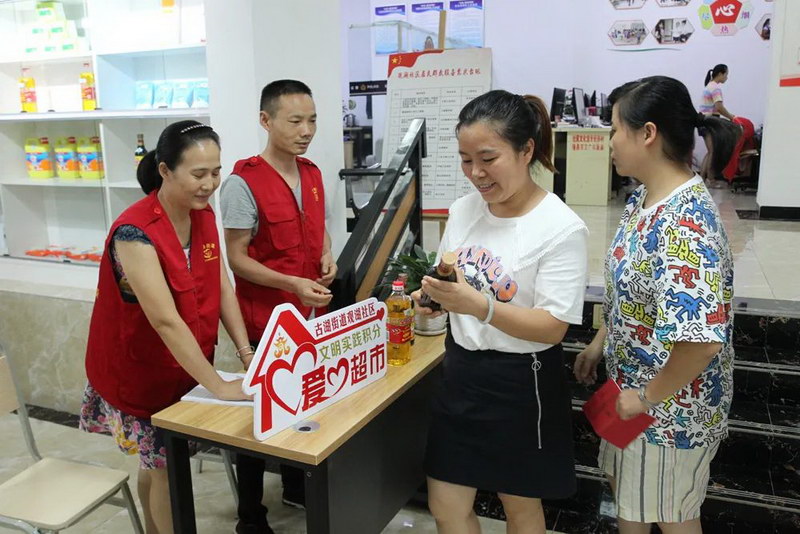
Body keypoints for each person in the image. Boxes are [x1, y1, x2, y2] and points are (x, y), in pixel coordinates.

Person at [413, 89, 589, 534]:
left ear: (526, 150)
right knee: (445, 503)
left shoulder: (560, 228)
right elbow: (452, 274)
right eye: (465, 159)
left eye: (488, 158)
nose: (476, 173)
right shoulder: (463, 210)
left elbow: (552, 327)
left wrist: (479, 306)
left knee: (520, 507)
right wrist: (435, 297)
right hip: (461, 373)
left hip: (521, 382)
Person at [574, 76, 739, 534]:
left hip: (669, 413)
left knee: (671, 516)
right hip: (632, 397)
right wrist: (600, 341)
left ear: (647, 133)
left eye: (614, 129)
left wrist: (645, 398)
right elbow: (631, 291)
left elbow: (701, 342)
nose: (609, 141)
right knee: (631, 506)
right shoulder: (643, 199)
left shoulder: (685, 224)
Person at [79, 120, 252, 534]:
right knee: (164, 469)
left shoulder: (202, 213)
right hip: (141, 371)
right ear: (165, 170)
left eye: (216, 172)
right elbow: (164, 320)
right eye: (198, 174)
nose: (209, 184)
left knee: (156, 463)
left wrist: (247, 353)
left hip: (183, 366)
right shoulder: (134, 232)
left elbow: (222, 286)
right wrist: (219, 385)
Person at [220, 79, 336, 534]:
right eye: (295, 121)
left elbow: (319, 229)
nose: (306, 131)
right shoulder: (242, 183)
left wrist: (327, 256)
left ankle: (294, 486)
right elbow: (236, 258)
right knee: (258, 418)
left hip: (308, 315)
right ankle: (249, 516)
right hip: (264, 321)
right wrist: (292, 283)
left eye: (312, 120)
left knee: (302, 401)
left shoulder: (312, 174)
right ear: (265, 121)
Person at [698, 64, 735, 181]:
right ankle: (711, 180)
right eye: (726, 74)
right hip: (710, 122)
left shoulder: (709, 86)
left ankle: (702, 179)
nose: (727, 77)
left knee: (710, 151)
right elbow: (719, 107)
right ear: (720, 74)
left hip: (703, 121)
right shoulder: (715, 88)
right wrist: (731, 117)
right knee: (713, 152)